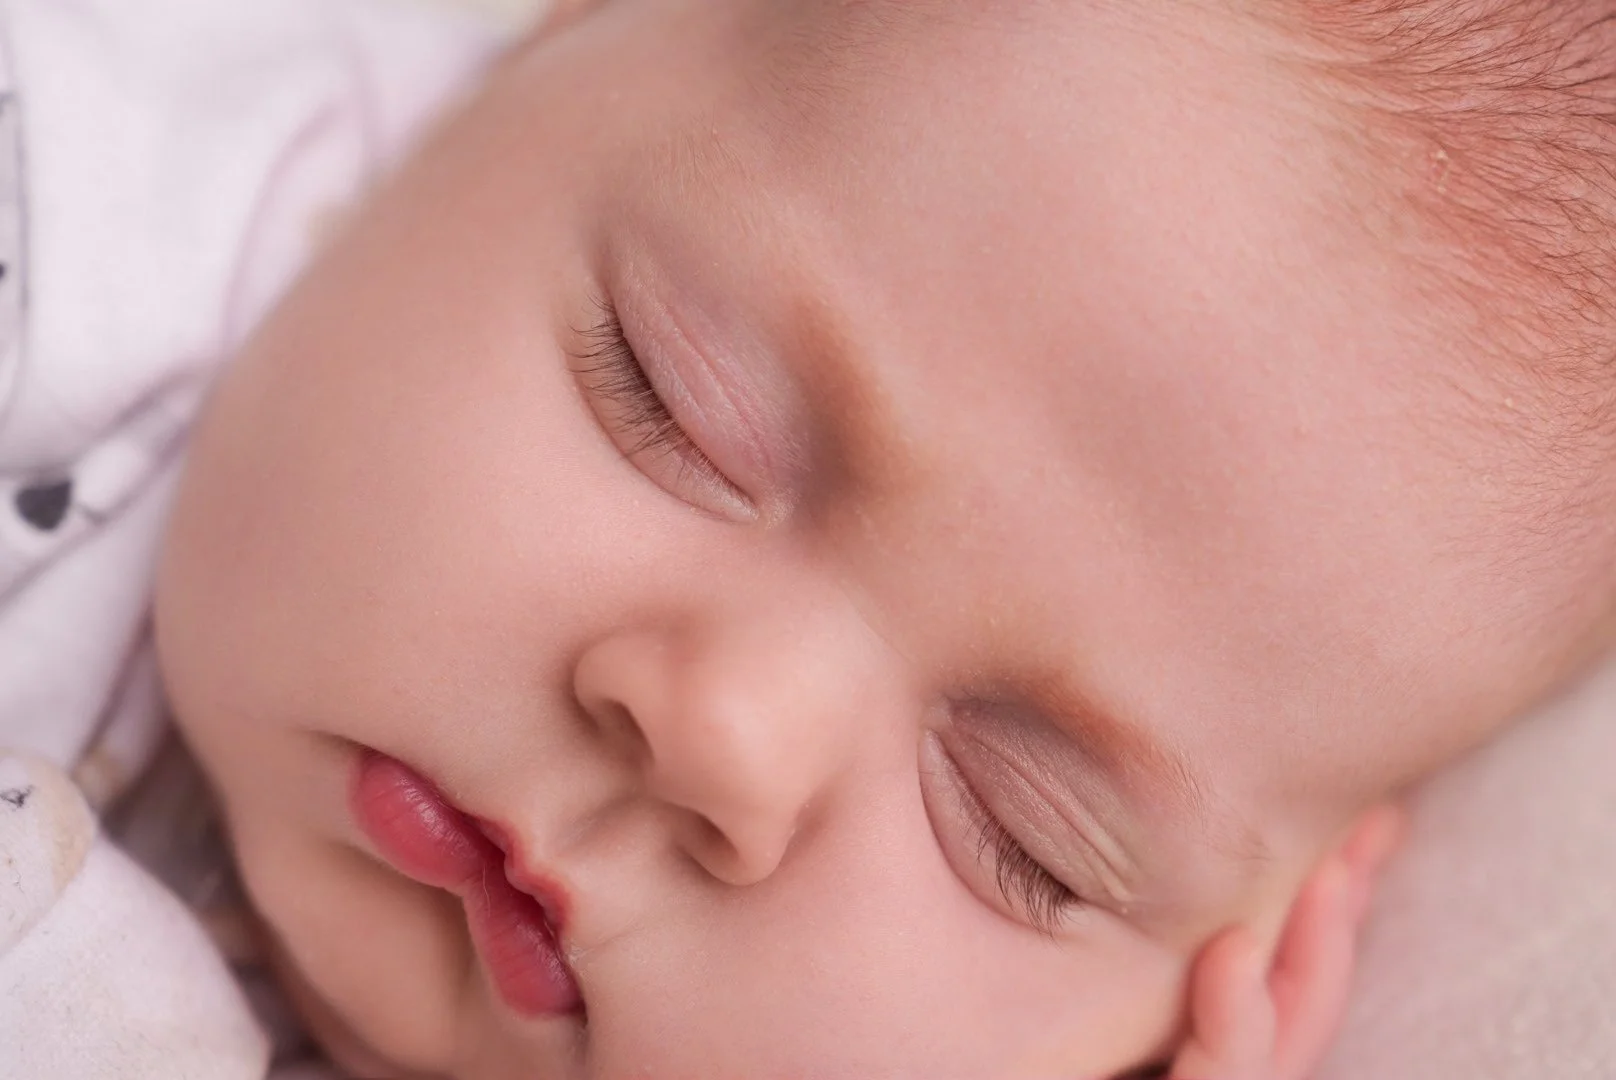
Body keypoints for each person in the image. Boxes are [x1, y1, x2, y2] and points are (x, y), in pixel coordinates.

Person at [11, 0, 1616, 1077]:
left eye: (1018, 831)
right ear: (547, 45)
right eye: (676, 405)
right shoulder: (81, 205)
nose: (724, 735)